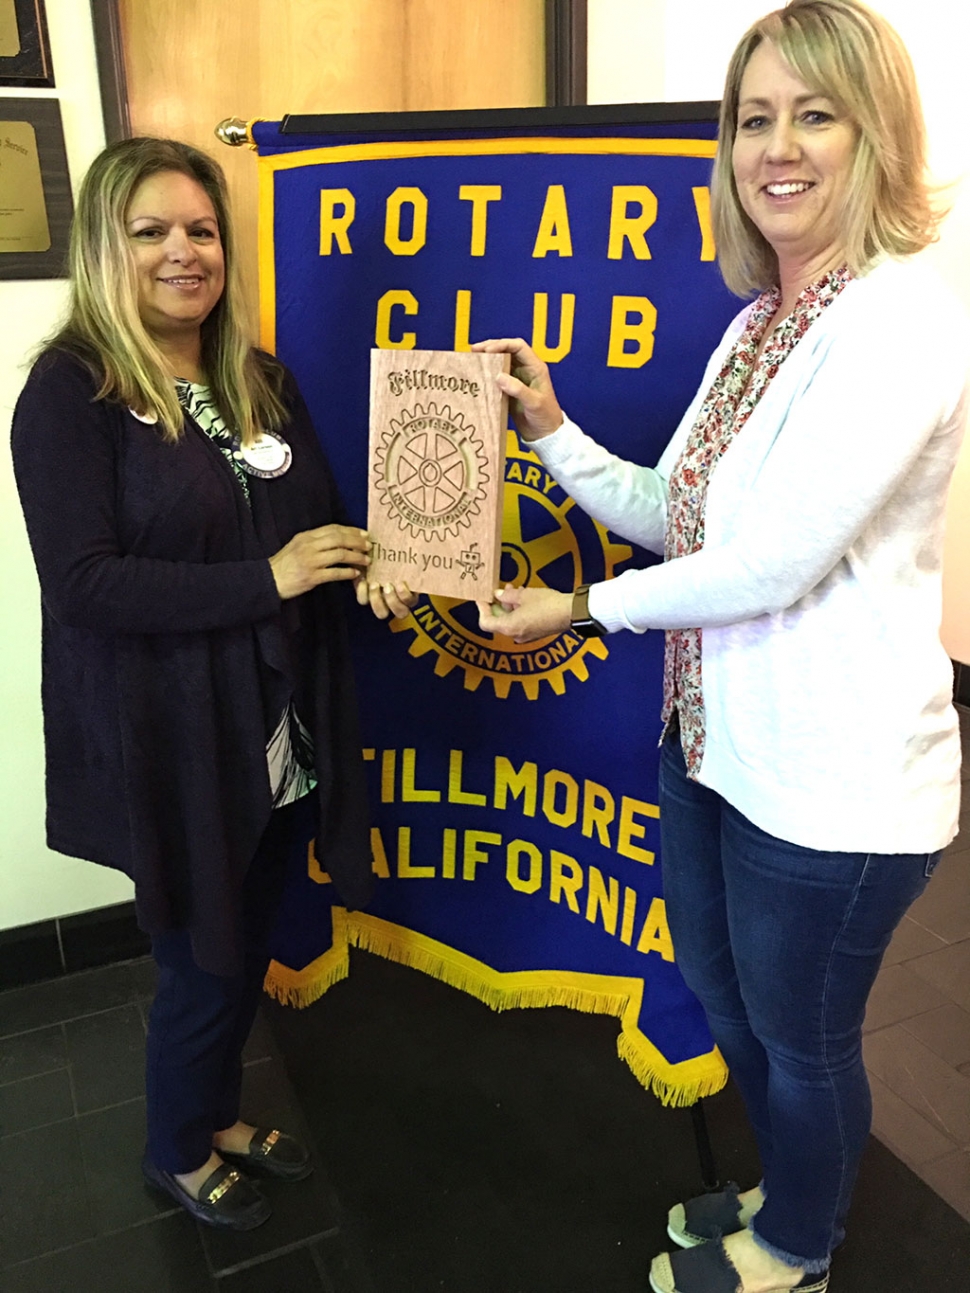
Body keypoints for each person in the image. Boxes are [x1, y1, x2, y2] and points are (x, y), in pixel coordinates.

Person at [473, 2, 968, 1290]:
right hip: (715, 748)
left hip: (835, 786)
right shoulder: (760, 326)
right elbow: (675, 512)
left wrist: (577, 612)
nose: (777, 147)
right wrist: (550, 431)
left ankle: (797, 1248)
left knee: (802, 1045)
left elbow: (769, 565)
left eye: (816, 113)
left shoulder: (902, 318)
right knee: (739, 1016)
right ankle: (783, 1187)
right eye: (754, 118)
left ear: (877, 134)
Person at [11, 137, 412, 1232]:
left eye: (200, 230)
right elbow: (87, 585)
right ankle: (174, 1147)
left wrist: (377, 566)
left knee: (250, 941)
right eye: (151, 232)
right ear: (107, 248)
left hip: (284, 730)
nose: (184, 252)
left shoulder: (256, 378)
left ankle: (217, 1112)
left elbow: (319, 529)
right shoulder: (71, 393)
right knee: (202, 960)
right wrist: (269, 577)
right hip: (176, 737)